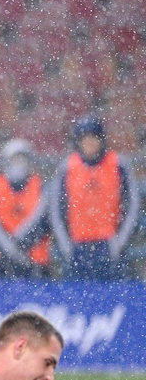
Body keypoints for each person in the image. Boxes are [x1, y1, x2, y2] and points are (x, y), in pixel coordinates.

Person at [47, 115, 139, 280]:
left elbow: (132, 205)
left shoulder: (118, 165)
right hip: (78, 245)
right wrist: (66, 246)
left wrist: (119, 242)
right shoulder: (67, 168)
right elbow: (56, 210)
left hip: (109, 244)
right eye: (85, 139)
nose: (90, 143)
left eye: (93, 138)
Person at [0, 138, 52, 278]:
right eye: (14, 160)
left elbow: (41, 221)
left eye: (22, 160)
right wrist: (10, 249)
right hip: (0, 258)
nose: (18, 165)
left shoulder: (41, 189)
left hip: (35, 259)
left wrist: (21, 246)